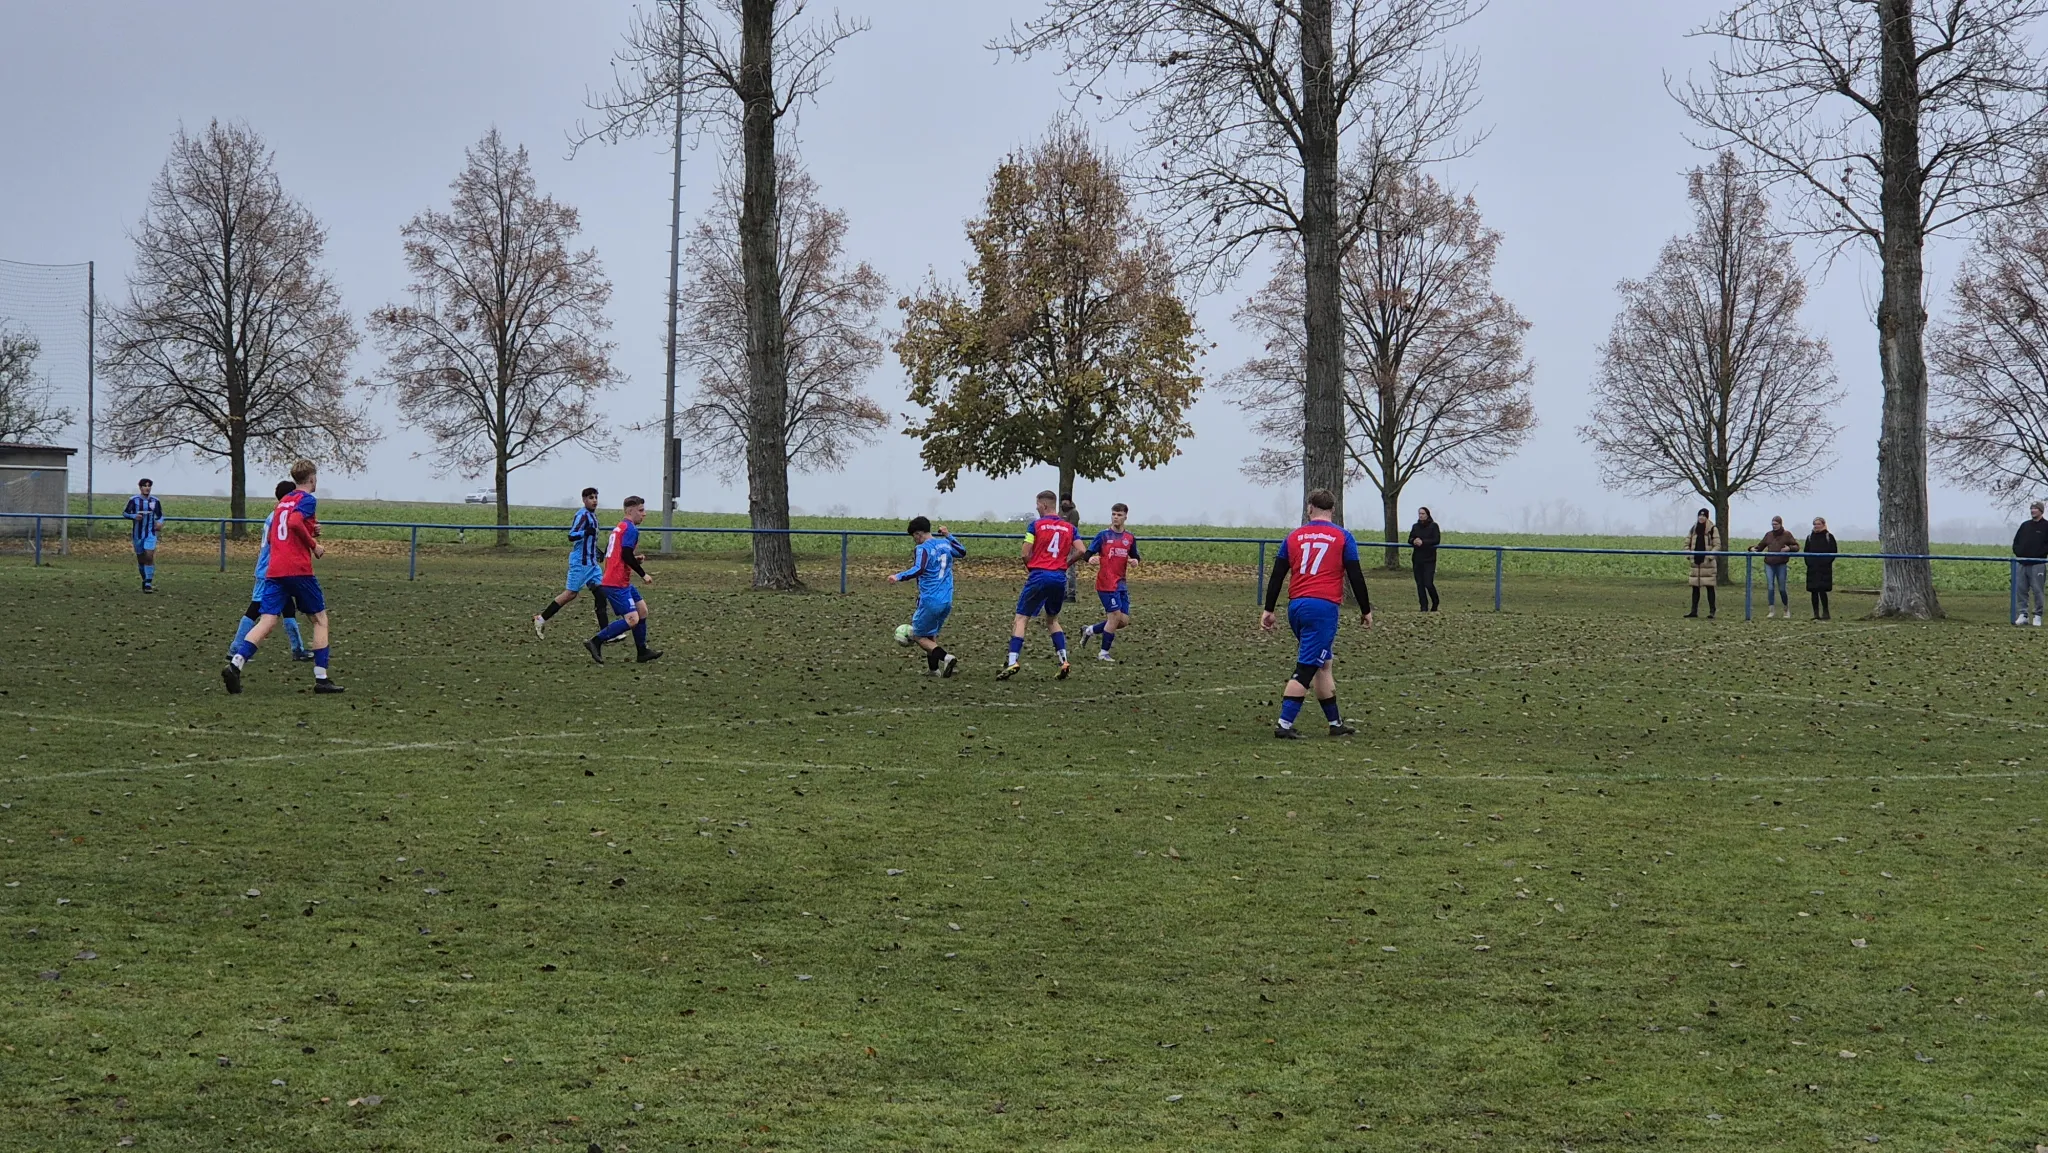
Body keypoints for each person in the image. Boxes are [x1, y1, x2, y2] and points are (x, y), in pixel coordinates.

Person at [1260, 488, 1373, 738]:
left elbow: (1277, 574)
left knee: (1323, 663)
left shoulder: (1294, 537)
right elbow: (1355, 575)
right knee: (1307, 667)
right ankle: (1284, 725)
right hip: (1322, 609)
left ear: (1309, 507)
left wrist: (1269, 609)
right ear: (1333, 509)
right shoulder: (1343, 537)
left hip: (1297, 606)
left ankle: (1335, 724)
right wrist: (1366, 609)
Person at [222, 459, 341, 694]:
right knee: (319, 620)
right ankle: (322, 679)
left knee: (267, 620)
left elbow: (277, 534)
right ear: (312, 478)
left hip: (275, 570)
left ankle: (235, 665)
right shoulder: (307, 499)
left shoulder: (283, 502)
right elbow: (295, 522)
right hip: (297, 569)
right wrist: (314, 545)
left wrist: (309, 529)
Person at [227, 480, 311, 663]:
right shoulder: (279, 517)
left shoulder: (276, 515)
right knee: (256, 608)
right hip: (269, 570)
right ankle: (235, 648)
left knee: (288, 608)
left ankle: (298, 649)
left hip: (278, 570)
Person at [997, 490, 1077, 681]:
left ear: (1044, 505)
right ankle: (1064, 661)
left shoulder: (1035, 526)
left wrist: (1032, 568)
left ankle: (1012, 661)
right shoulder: (1069, 527)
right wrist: (1065, 564)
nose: (1036, 508)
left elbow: (1025, 553)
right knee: (1052, 620)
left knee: (1021, 619)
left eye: (1038, 505)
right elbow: (1082, 550)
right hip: (1059, 578)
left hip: (1039, 575)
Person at [583, 496, 662, 665]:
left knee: (642, 611)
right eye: (641, 510)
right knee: (632, 619)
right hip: (616, 582)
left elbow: (615, 553)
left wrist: (634, 559)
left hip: (619, 580)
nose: (644, 514)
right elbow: (625, 554)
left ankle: (642, 651)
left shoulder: (620, 527)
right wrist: (643, 574)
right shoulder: (631, 529)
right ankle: (595, 641)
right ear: (630, 511)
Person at [889, 516, 966, 677]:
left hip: (930, 599)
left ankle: (946, 658)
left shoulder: (922, 548)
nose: (914, 540)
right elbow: (961, 551)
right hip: (946, 599)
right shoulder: (944, 543)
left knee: (917, 635)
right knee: (930, 634)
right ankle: (933, 670)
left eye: (914, 536)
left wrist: (898, 576)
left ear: (918, 534)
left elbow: (919, 568)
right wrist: (948, 535)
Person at [534, 487, 611, 637]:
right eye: (591, 498)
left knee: (601, 594)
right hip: (580, 563)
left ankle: (606, 633)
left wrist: (598, 553)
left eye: (596, 497)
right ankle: (541, 619)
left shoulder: (593, 516)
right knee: (570, 594)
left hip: (592, 564)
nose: (594, 500)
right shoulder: (582, 515)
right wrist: (585, 532)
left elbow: (590, 541)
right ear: (584, 500)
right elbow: (571, 536)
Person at [1077, 502, 1140, 662]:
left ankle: (1089, 630)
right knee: (1114, 616)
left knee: (1123, 621)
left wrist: (1135, 561)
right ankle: (1103, 653)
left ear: (1125, 517)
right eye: (1113, 514)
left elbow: (1135, 555)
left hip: (1121, 584)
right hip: (1106, 583)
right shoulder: (1103, 536)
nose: (1115, 517)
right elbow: (1087, 553)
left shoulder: (1129, 538)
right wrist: (1090, 559)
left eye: (1119, 515)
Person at [1749, 515, 1801, 618]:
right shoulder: (1768, 535)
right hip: (1769, 563)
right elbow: (1760, 546)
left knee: (1782, 588)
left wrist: (1789, 549)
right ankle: (1771, 610)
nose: (1774, 526)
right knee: (1770, 587)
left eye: (1776, 524)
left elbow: (1796, 546)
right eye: (1772, 524)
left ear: (1780, 524)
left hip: (1781, 564)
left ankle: (1786, 609)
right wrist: (1752, 549)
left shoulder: (1787, 534)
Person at [122, 478, 164, 593]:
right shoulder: (134, 500)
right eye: (145, 486)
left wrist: (160, 523)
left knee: (149, 556)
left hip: (151, 533)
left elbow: (160, 515)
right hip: (138, 534)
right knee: (141, 559)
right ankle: (145, 580)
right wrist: (134, 516)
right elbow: (125, 513)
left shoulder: (155, 501)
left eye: (149, 486)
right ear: (140, 487)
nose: (147, 488)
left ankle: (148, 583)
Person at [2014, 500, 2048, 627]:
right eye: (2031, 508)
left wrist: (2039, 554)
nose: (2033, 511)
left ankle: (2037, 615)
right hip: (2022, 563)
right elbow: (2016, 541)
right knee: (2021, 590)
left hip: (2038, 564)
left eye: (2035, 508)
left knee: (2038, 590)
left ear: (2041, 511)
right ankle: (2023, 614)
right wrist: (2019, 552)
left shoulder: (2046, 526)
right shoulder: (2025, 525)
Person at [1684, 509, 1720, 619]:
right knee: (1695, 588)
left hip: (1707, 563)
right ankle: (1693, 611)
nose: (1701, 518)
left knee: (1710, 588)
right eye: (1700, 515)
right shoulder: (1693, 529)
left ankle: (1712, 611)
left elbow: (1717, 545)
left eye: (1703, 516)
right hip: (1696, 563)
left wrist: (1710, 556)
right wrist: (1689, 554)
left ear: (1707, 517)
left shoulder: (1713, 529)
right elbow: (1686, 543)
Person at [1804, 516, 1838, 621]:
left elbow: (1833, 551)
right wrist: (1809, 563)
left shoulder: (1829, 537)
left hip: (1824, 569)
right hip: (1812, 568)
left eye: (1818, 524)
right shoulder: (1810, 537)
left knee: (1822, 591)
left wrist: (1826, 562)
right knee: (1813, 591)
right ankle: (1816, 614)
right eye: (1815, 524)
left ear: (1823, 524)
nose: (1816, 526)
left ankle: (1826, 612)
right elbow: (1806, 552)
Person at [1409, 507, 1441, 612]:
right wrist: (1414, 541)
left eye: (1423, 513)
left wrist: (1423, 542)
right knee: (1420, 584)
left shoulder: (1433, 526)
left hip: (1429, 559)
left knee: (1428, 583)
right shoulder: (1415, 526)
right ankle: (1423, 606)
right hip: (1417, 559)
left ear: (1427, 514)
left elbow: (1436, 540)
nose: (1421, 515)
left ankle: (1435, 601)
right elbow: (1410, 538)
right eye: (1419, 513)